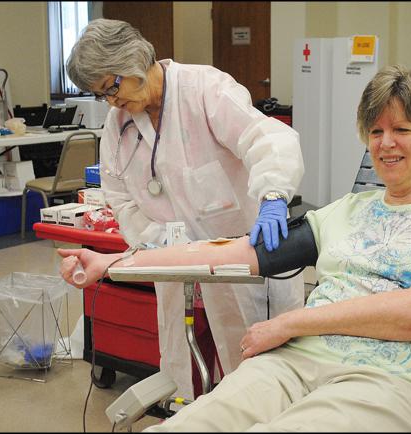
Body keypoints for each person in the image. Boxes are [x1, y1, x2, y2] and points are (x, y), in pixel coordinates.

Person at [59, 64, 411, 431]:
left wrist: (293, 322)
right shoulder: (345, 211)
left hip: (393, 384)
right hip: (294, 366)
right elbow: (223, 253)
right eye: (376, 130)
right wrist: (114, 261)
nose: (385, 144)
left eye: (402, 129)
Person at [65, 18, 305, 399]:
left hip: (245, 258)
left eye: (111, 87)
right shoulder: (119, 123)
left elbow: (266, 139)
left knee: (259, 371)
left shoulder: (203, 89)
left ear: (133, 60)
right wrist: (162, 241)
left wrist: (274, 195)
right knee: (184, 372)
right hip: (175, 263)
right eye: (101, 95)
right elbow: (119, 195)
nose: (111, 101)